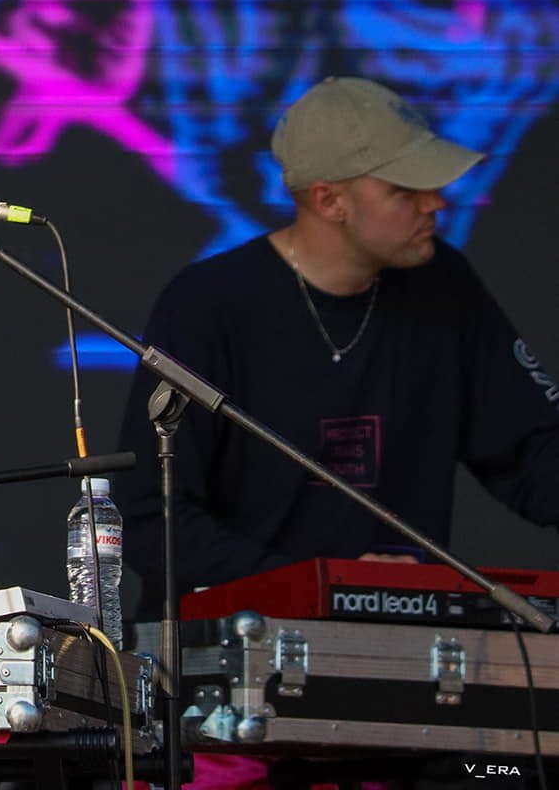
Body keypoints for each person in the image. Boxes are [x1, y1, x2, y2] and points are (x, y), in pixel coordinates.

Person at [113, 76, 559, 787]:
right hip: (226, 694)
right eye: (407, 190)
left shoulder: (445, 285)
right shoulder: (209, 306)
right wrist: (321, 586)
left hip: (400, 685)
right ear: (329, 200)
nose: (436, 203)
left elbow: (530, 453)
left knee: (504, 769)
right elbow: (151, 521)